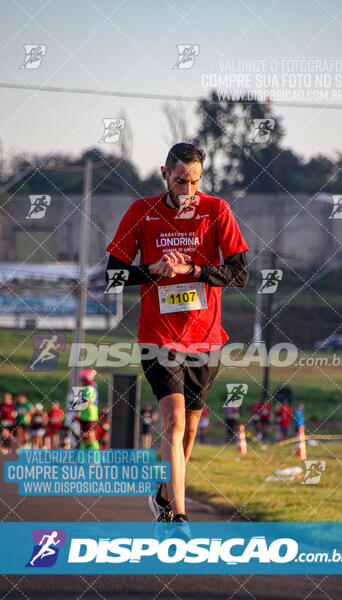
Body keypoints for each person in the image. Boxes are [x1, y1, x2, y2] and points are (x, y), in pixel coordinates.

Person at [106, 142, 248, 534]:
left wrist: (195, 269)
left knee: (187, 433)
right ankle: (180, 520)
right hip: (159, 336)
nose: (188, 189)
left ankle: (165, 496)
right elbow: (113, 276)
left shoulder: (216, 210)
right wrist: (151, 270)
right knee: (172, 422)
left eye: (195, 181)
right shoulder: (141, 212)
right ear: (165, 174)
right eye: (181, 180)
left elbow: (239, 273)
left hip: (206, 338)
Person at [78, 369, 99, 449]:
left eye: (81, 379)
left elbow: (88, 403)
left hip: (89, 416)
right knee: (84, 438)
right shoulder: (87, 388)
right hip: (85, 416)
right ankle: (82, 459)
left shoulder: (89, 389)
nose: (80, 381)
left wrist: (77, 407)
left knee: (91, 437)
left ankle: (96, 459)